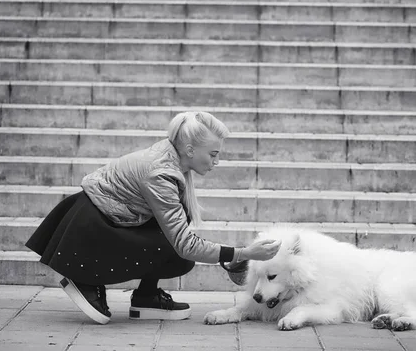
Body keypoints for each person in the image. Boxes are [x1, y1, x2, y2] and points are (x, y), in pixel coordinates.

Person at [25, 111, 281, 324]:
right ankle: (85, 276)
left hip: (109, 218)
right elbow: (185, 245)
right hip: (91, 228)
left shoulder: (173, 158)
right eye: (213, 154)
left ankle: (146, 297)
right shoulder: (161, 174)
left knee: (174, 241)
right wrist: (243, 254)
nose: (217, 161)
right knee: (178, 252)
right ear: (190, 150)